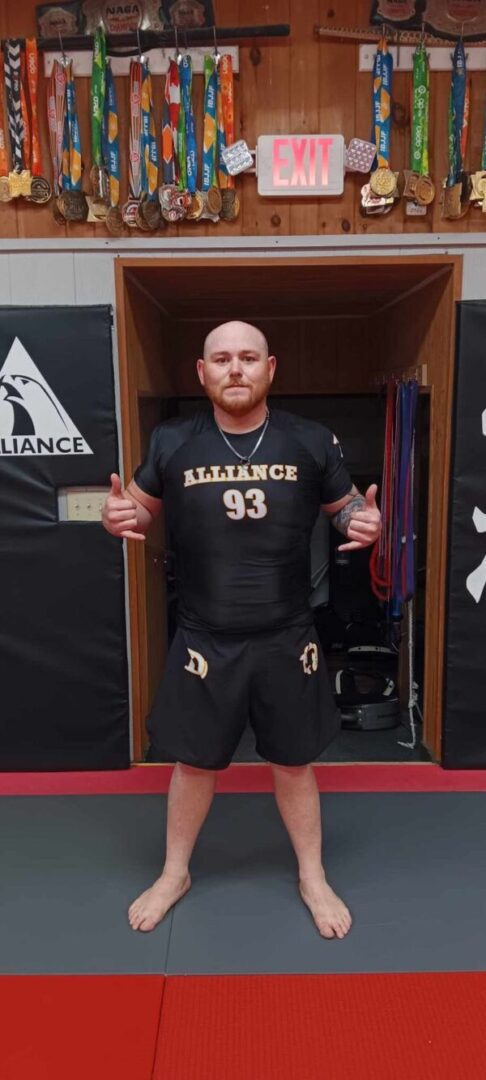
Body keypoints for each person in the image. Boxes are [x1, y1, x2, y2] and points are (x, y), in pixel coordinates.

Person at [102, 321, 381, 940]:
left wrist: (367, 521)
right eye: (221, 359)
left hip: (288, 636)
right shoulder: (174, 441)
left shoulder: (309, 441)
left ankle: (312, 874)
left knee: (293, 763)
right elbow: (137, 508)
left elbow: (347, 511)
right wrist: (116, 512)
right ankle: (176, 871)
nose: (235, 368)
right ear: (201, 373)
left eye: (248, 358)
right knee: (193, 765)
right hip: (205, 638)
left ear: (270, 369)